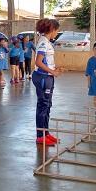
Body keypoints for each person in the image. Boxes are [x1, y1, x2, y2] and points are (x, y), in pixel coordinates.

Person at [32, 18, 61, 146]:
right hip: (43, 77)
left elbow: (46, 61)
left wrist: (54, 69)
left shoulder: (47, 42)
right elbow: (38, 62)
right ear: (52, 29)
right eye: (57, 30)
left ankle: (46, 133)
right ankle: (40, 136)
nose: (57, 33)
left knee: (47, 105)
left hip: (48, 76)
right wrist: (52, 71)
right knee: (43, 106)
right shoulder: (43, 42)